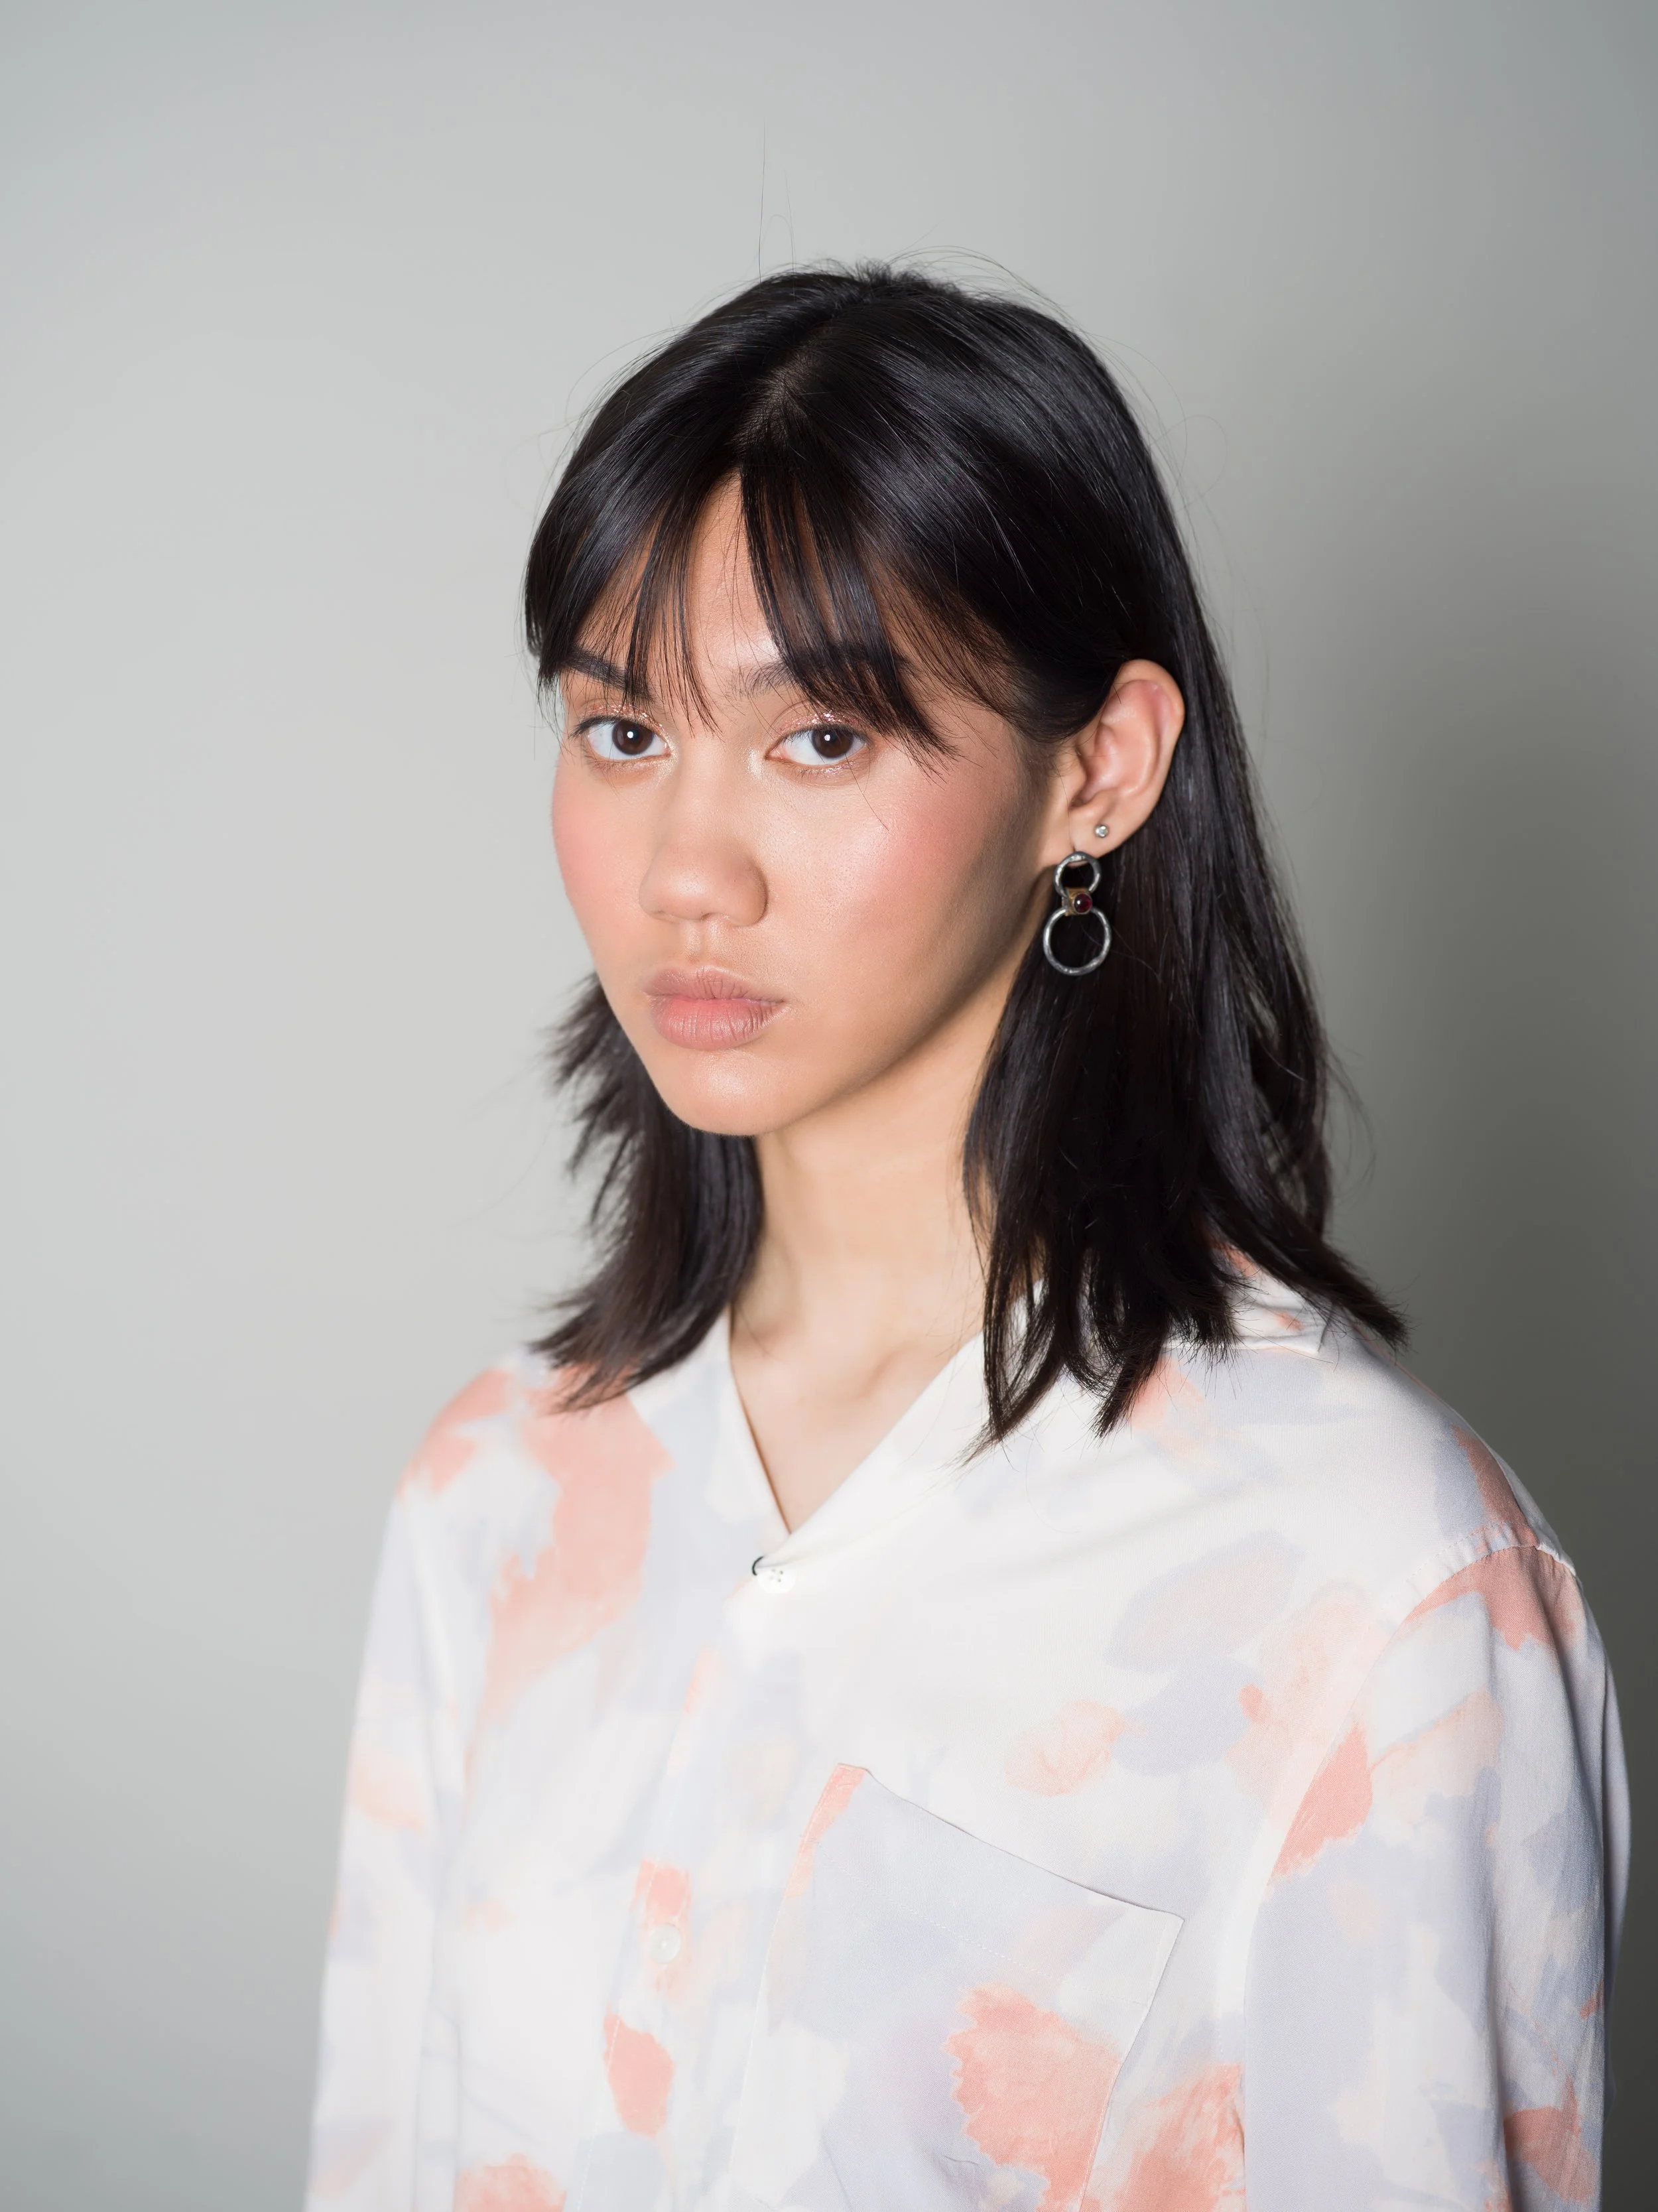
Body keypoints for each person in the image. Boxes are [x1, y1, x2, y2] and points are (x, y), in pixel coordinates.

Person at [304, 266, 1627, 2212]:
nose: (687, 870)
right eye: (622, 730)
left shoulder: (1378, 1586)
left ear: (1095, 770)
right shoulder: (499, 1491)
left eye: (821, 739)